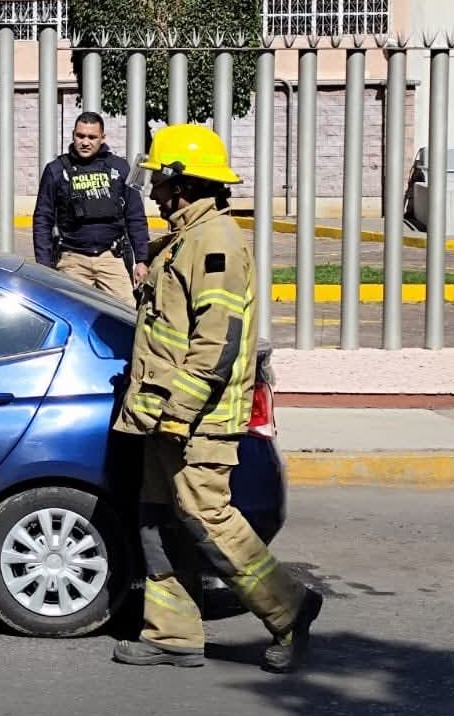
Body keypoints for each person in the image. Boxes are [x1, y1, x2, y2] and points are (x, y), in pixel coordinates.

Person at [110, 124, 322, 674]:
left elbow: (217, 342)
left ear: (184, 183)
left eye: (160, 180)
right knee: (158, 521)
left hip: (195, 420)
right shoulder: (185, 238)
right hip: (163, 417)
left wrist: (179, 413)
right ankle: (172, 634)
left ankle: (289, 608)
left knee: (206, 517)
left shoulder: (217, 243)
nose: (153, 191)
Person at [32, 112, 149, 306]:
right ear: (73, 135)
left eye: (92, 137)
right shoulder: (55, 170)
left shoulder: (120, 168)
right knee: (69, 314)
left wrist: (142, 260)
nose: (85, 142)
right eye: (80, 136)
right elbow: (42, 219)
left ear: (103, 138)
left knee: (128, 315)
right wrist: (44, 266)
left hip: (111, 258)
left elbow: (135, 215)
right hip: (72, 261)